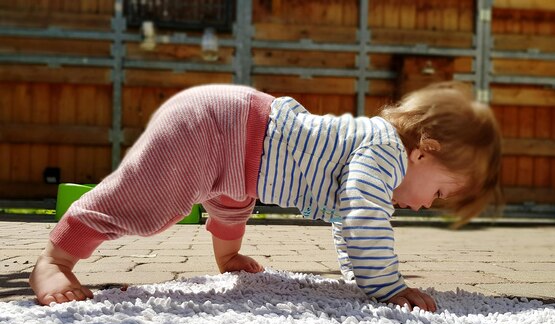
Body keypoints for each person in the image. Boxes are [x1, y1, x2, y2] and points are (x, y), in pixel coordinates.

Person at [29, 81, 501, 312]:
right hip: (218, 126)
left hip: (241, 151)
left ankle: (227, 255)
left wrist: (367, 281)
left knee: (233, 202)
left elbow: (350, 222)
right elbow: (364, 220)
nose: (424, 205)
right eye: (439, 193)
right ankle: (56, 259)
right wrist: (388, 287)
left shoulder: (377, 151)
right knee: (149, 204)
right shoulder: (383, 151)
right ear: (424, 151)